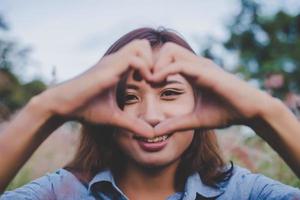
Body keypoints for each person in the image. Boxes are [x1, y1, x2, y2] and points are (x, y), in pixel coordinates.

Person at [0, 27, 300, 200]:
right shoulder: (59, 193)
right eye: (128, 97)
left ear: (200, 102)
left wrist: (265, 113)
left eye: (170, 93)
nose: (151, 115)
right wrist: (47, 108)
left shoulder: (244, 193)